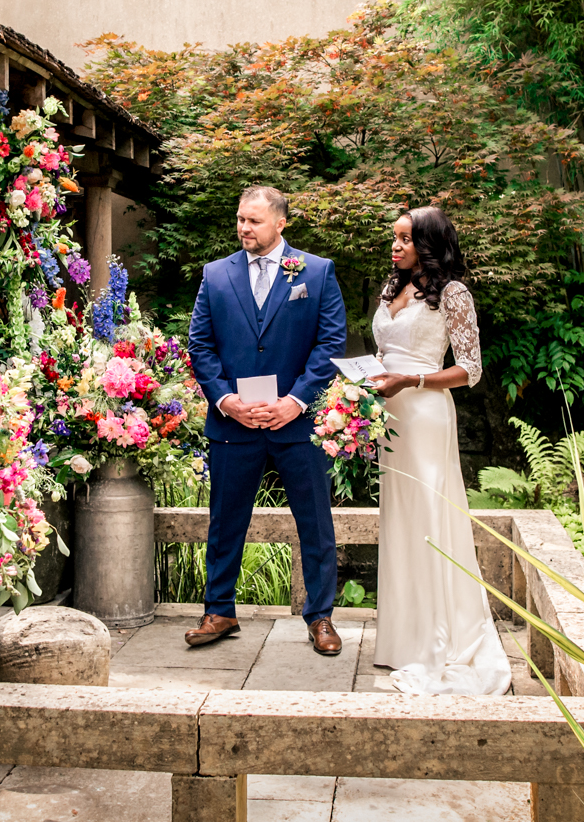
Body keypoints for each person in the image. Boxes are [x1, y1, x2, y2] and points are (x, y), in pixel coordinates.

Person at [187, 186, 347, 654]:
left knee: (315, 523)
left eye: (254, 221)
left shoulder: (316, 271)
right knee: (224, 522)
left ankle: (320, 617)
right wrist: (225, 400)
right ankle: (219, 611)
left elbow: (330, 343)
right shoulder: (216, 274)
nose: (244, 228)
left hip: (297, 424)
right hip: (234, 423)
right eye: (240, 219)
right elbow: (200, 344)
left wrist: (296, 401)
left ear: (280, 223)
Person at [370, 207, 512, 695]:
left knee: (429, 515)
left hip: (426, 414)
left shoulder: (453, 294)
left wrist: (411, 379)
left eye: (405, 239)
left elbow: (470, 369)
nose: (396, 246)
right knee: (400, 519)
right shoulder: (391, 288)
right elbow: (386, 354)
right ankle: (402, 640)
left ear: (429, 244)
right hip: (389, 418)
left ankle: (437, 640)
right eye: (394, 238)